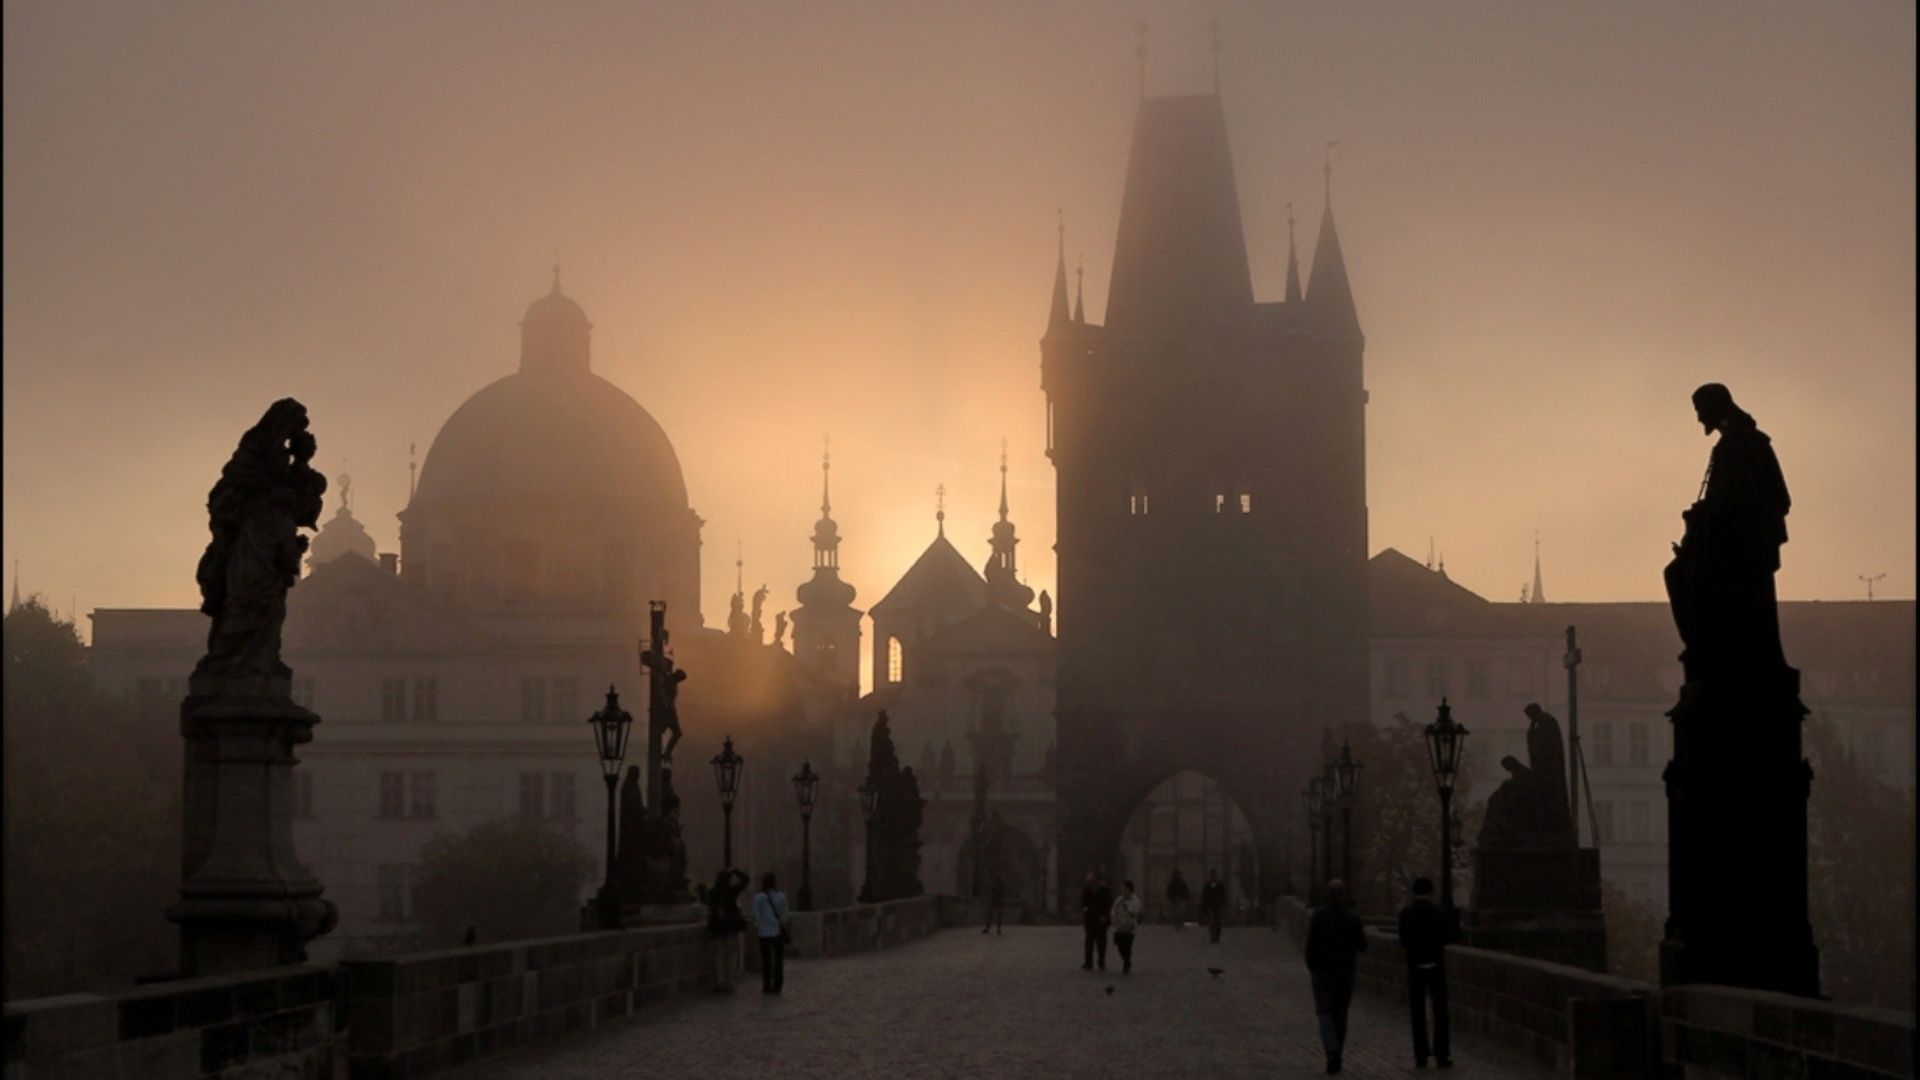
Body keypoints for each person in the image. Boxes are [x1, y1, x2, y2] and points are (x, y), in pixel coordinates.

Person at [1305, 879, 1368, 1074]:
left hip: (1322, 971)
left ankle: (1331, 1050)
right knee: (1340, 1015)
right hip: (1344, 973)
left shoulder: (1318, 915)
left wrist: (1313, 968)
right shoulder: (1353, 917)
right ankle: (1337, 1054)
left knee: (1324, 1012)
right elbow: (1363, 945)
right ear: (1344, 895)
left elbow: (1310, 945)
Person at [1398, 877, 1453, 1068]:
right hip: (1435, 965)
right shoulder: (1438, 912)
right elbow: (1446, 937)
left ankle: (1421, 1055)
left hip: (1415, 966)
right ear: (1430, 891)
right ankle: (1441, 1055)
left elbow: (1403, 941)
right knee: (1440, 1011)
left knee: (1418, 1012)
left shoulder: (1407, 913)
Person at [701, 867, 749, 992]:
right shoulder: (731, 890)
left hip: (717, 925)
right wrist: (735, 871)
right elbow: (746, 879)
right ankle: (727, 983)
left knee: (718, 954)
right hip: (729, 924)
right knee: (728, 955)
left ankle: (719, 982)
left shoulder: (713, 891)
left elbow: (707, 903)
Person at [751, 871, 792, 995]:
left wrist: (759, 925)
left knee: (766, 960)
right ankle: (777, 985)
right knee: (778, 960)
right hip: (777, 931)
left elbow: (756, 915)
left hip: (764, 933)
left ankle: (767, 985)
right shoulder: (781, 897)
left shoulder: (759, 898)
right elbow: (785, 916)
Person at [1080, 869, 1112, 970]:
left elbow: (1108, 904)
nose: (1089, 878)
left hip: (1100, 919)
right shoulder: (1087, 889)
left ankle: (1101, 962)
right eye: (1088, 876)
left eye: (1091, 876)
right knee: (1089, 941)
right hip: (1090, 919)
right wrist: (1085, 909)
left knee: (1101, 942)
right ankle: (1088, 962)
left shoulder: (1104, 889)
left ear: (1096, 878)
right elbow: (1083, 902)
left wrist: (1105, 916)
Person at [1110, 880, 1143, 974]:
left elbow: (1135, 912)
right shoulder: (1119, 899)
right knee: (1120, 946)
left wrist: (1127, 908)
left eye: (1123, 887)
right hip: (1119, 927)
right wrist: (1113, 918)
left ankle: (1126, 962)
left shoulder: (1135, 900)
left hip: (1130, 928)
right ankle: (1126, 959)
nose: (1122, 889)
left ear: (1128, 888)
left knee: (1127, 946)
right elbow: (1114, 909)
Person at [1200, 868, 1228, 944]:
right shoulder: (1208, 885)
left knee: (1217, 922)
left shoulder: (1218, 885)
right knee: (1212, 922)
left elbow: (1223, 895)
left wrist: (1224, 904)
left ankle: (1216, 937)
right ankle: (1213, 937)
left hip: (1217, 906)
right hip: (1211, 906)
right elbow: (1204, 897)